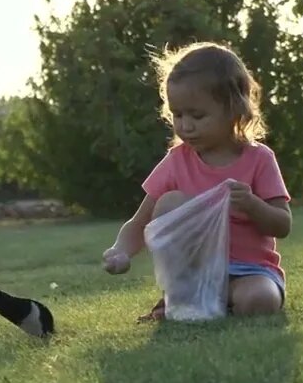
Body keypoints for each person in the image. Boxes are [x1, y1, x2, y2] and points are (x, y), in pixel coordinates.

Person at [101, 41, 292, 320]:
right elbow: (140, 221)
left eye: (197, 115)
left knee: (259, 300)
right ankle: (186, 294)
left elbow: (282, 224)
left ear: (233, 109)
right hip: (194, 273)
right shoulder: (177, 161)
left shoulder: (259, 159)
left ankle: (207, 302)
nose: (185, 125)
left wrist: (252, 205)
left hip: (249, 271)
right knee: (170, 202)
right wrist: (121, 252)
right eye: (177, 115)